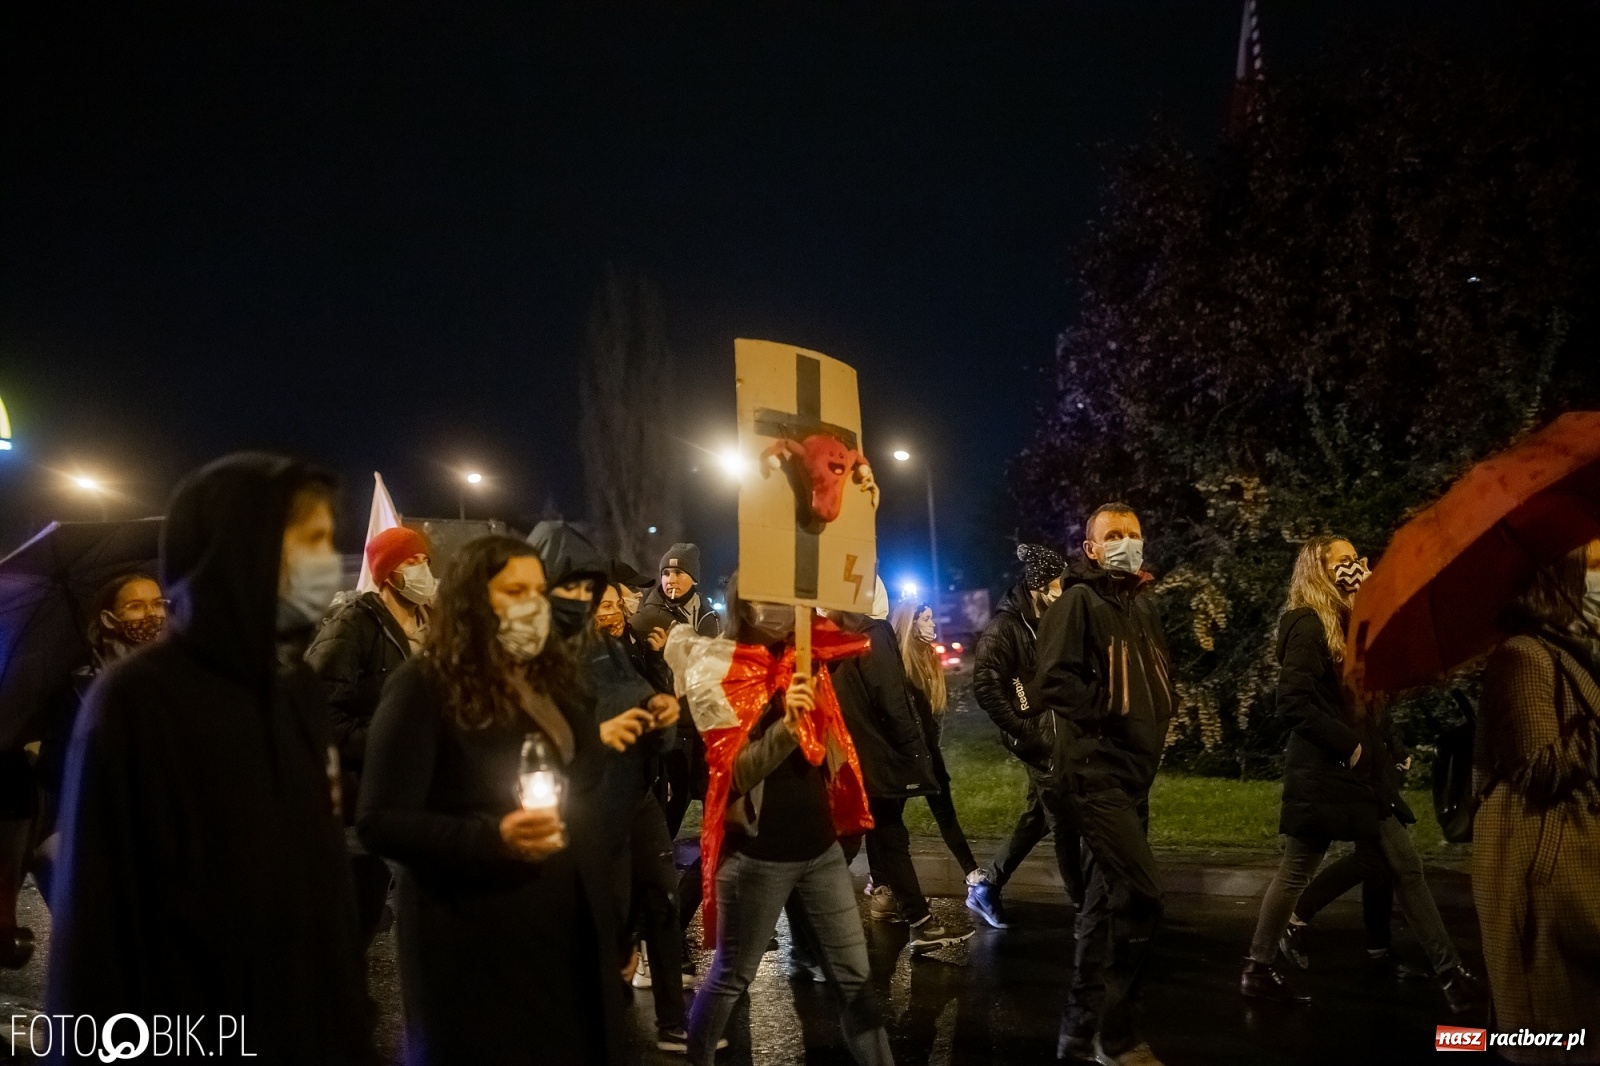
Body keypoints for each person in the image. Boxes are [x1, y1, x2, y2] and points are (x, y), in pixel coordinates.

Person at [46, 452, 374, 1063]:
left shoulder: (295, 687)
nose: (326, 564)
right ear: (240, 544)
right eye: (309, 541)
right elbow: (98, 939)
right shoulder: (139, 700)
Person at [357, 534, 624, 1066]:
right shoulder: (424, 685)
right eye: (513, 591)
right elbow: (379, 820)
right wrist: (492, 838)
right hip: (474, 936)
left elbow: (586, 775)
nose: (533, 604)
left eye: (537, 590)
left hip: (561, 924)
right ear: (474, 602)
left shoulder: (555, 680)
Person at [1240, 535, 1483, 1016]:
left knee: (1405, 868)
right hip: (1326, 774)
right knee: (1295, 871)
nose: (1355, 566)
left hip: (1363, 777)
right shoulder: (1307, 625)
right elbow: (1293, 703)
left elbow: (1369, 703)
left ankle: (1451, 976)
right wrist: (1348, 746)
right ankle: (1257, 967)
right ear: (1319, 570)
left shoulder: (1349, 625)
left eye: (1357, 559)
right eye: (1344, 561)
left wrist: (1387, 747)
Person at [673, 582, 891, 1066]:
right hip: (757, 858)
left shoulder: (807, 655)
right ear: (742, 605)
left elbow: (856, 620)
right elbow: (735, 774)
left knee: (855, 979)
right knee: (731, 977)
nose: (781, 607)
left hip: (821, 851)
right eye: (765, 596)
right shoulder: (722, 669)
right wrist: (788, 729)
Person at [526, 521, 693, 1053]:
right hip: (585, 810)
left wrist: (662, 718)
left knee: (662, 903)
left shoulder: (612, 647)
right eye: (568, 585)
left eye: (589, 586)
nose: (582, 599)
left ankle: (671, 1020)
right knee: (601, 929)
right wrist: (595, 738)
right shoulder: (530, 653)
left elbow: (639, 699)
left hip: (635, 800)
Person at [1031, 502, 1173, 1066]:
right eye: (1113, 534)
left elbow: (1157, 674)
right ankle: (1117, 1036)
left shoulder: (1139, 604)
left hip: (1134, 777)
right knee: (1143, 897)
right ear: (1090, 548)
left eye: (1134, 533)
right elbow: (1053, 682)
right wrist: (1111, 712)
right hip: (1096, 776)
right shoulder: (1078, 602)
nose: (1126, 542)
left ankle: (1078, 1028)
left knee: (1101, 906)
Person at [1471, 541, 1600, 1059]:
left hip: (1579, 860)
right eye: (1594, 564)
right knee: (1547, 1036)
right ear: (1561, 580)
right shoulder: (1522, 655)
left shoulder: (1578, 653)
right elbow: (1537, 767)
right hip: (1545, 873)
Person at [306, 525, 437, 948]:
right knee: (355, 917)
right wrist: (387, 742)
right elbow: (318, 714)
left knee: (423, 904)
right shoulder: (353, 627)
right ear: (385, 573)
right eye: (409, 562)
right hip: (362, 793)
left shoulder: (434, 622)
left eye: (424, 561)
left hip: (421, 788)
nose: (422, 570)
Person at [830, 601, 969, 953]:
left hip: (848, 756)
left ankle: (918, 920)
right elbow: (892, 700)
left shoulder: (832, 638)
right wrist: (913, 750)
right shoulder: (874, 634)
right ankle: (813, 934)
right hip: (874, 756)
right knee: (848, 845)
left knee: (886, 834)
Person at [29, 571, 170, 903]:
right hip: (101, 826)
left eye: (158, 603)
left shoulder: (182, 675)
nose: (151, 615)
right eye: (136, 606)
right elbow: (51, 770)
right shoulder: (78, 688)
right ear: (108, 619)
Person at [968, 543, 1082, 929]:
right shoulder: (1004, 629)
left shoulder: (1046, 619)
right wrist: (1027, 733)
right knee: (1065, 821)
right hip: (1037, 742)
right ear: (1037, 586)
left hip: (1053, 736)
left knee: (1038, 816)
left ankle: (988, 887)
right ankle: (1085, 909)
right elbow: (986, 688)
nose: (1061, 591)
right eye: (1055, 584)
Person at [891, 601, 981, 883]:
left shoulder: (930, 657)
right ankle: (880, 880)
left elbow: (936, 714)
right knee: (891, 821)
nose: (932, 624)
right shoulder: (897, 663)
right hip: (904, 755)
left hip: (928, 753)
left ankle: (972, 874)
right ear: (911, 623)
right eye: (926, 618)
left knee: (945, 814)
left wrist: (932, 750)